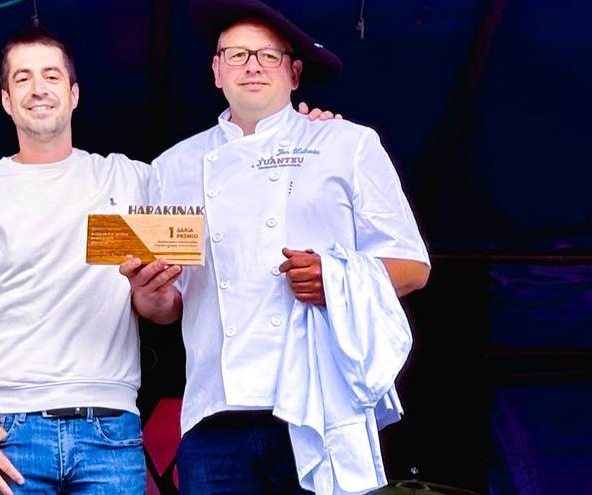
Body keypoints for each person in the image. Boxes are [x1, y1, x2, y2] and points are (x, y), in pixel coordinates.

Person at [0, 24, 339, 495]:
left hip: (109, 431)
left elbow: (234, 174)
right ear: (5, 100)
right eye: (23, 78)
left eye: (51, 76)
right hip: (5, 429)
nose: (38, 89)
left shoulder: (135, 179)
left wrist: (300, 135)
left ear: (74, 94)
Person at [120, 0, 431, 493]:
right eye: (237, 54)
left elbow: (413, 266)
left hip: (321, 407)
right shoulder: (172, 167)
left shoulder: (346, 143)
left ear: (294, 73)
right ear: (216, 70)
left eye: (268, 55)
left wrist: (335, 278)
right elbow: (168, 306)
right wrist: (148, 293)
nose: (252, 66)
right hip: (214, 415)